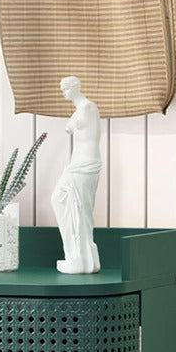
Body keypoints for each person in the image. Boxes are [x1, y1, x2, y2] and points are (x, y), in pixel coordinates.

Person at [50, 76, 101, 274]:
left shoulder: (88, 108)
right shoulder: (81, 110)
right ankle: (81, 258)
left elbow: (82, 131)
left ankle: (79, 260)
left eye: (65, 89)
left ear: (74, 88)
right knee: (65, 203)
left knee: (78, 209)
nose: (64, 93)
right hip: (77, 164)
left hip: (85, 164)